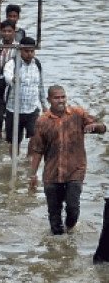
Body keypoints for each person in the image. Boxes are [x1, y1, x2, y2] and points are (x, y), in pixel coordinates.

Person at [29, 85, 106, 235]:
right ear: (49, 100)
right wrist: (33, 175)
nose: (61, 101)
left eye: (63, 97)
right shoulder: (42, 121)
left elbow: (103, 128)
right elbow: (37, 150)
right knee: (54, 216)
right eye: (56, 98)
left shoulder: (78, 114)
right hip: (52, 174)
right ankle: (57, 251)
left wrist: (94, 126)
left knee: (72, 208)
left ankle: (70, 230)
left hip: (75, 170)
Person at [3, 36, 47, 155]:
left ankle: (29, 161)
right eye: (26, 51)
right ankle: (13, 161)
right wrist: (13, 79)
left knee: (35, 137)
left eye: (32, 51)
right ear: (20, 50)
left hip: (32, 108)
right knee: (14, 140)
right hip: (14, 109)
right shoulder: (13, 63)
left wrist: (44, 106)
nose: (29, 54)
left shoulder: (37, 64)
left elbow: (41, 86)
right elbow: (7, 75)